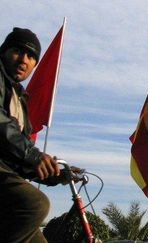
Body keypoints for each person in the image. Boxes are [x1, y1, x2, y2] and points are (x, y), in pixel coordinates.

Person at [0, 27, 60, 243]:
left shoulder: (19, 99)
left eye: (31, 56)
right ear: (4, 52)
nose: (24, 60)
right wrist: (33, 156)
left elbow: (16, 156)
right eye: (18, 51)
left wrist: (55, 174)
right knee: (35, 204)